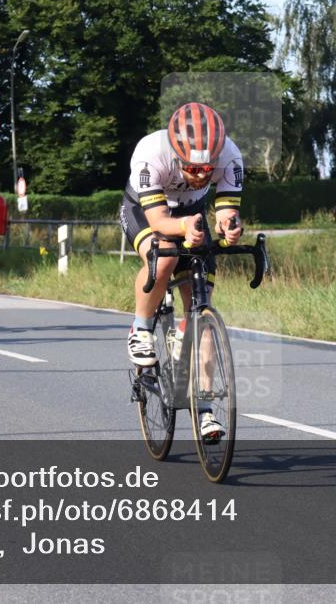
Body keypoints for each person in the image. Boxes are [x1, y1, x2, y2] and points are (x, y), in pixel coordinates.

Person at [120, 102, 244, 441]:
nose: (202, 175)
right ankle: (142, 328)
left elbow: (227, 209)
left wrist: (231, 227)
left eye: (208, 168)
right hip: (146, 211)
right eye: (193, 168)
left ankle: (204, 410)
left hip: (192, 211)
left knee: (202, 312)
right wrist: (184, 226)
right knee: (163, 260)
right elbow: (160, 222)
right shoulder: (151, 151)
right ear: (176, 153)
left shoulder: (230, 155)